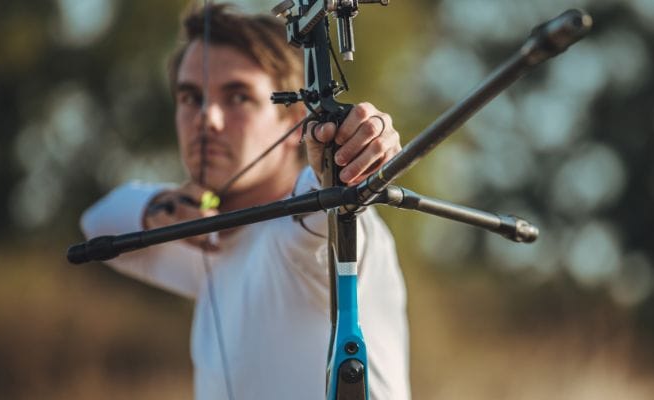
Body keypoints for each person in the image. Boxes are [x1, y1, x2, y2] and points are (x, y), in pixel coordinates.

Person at [80, 4, 410, 399]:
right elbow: (97, 223)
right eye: (190, 97)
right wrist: (160, 208)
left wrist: (351, 157)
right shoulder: (207, 245)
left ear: (297, 122)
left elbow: (322, 207)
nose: (207, 119)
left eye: (238, 97)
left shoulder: (307, 237)